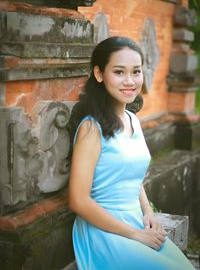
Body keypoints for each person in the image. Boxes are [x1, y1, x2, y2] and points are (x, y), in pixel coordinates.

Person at [68, 36, 194, 270]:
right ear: (99, 74)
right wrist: (134, 235)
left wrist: (148, 212)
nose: (130, 81)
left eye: (136, 72)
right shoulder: (91, 128)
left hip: (136, 221)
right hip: (105, 231)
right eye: (119, 72)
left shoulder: (132, 119)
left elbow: (131, 176)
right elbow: (78, 200)